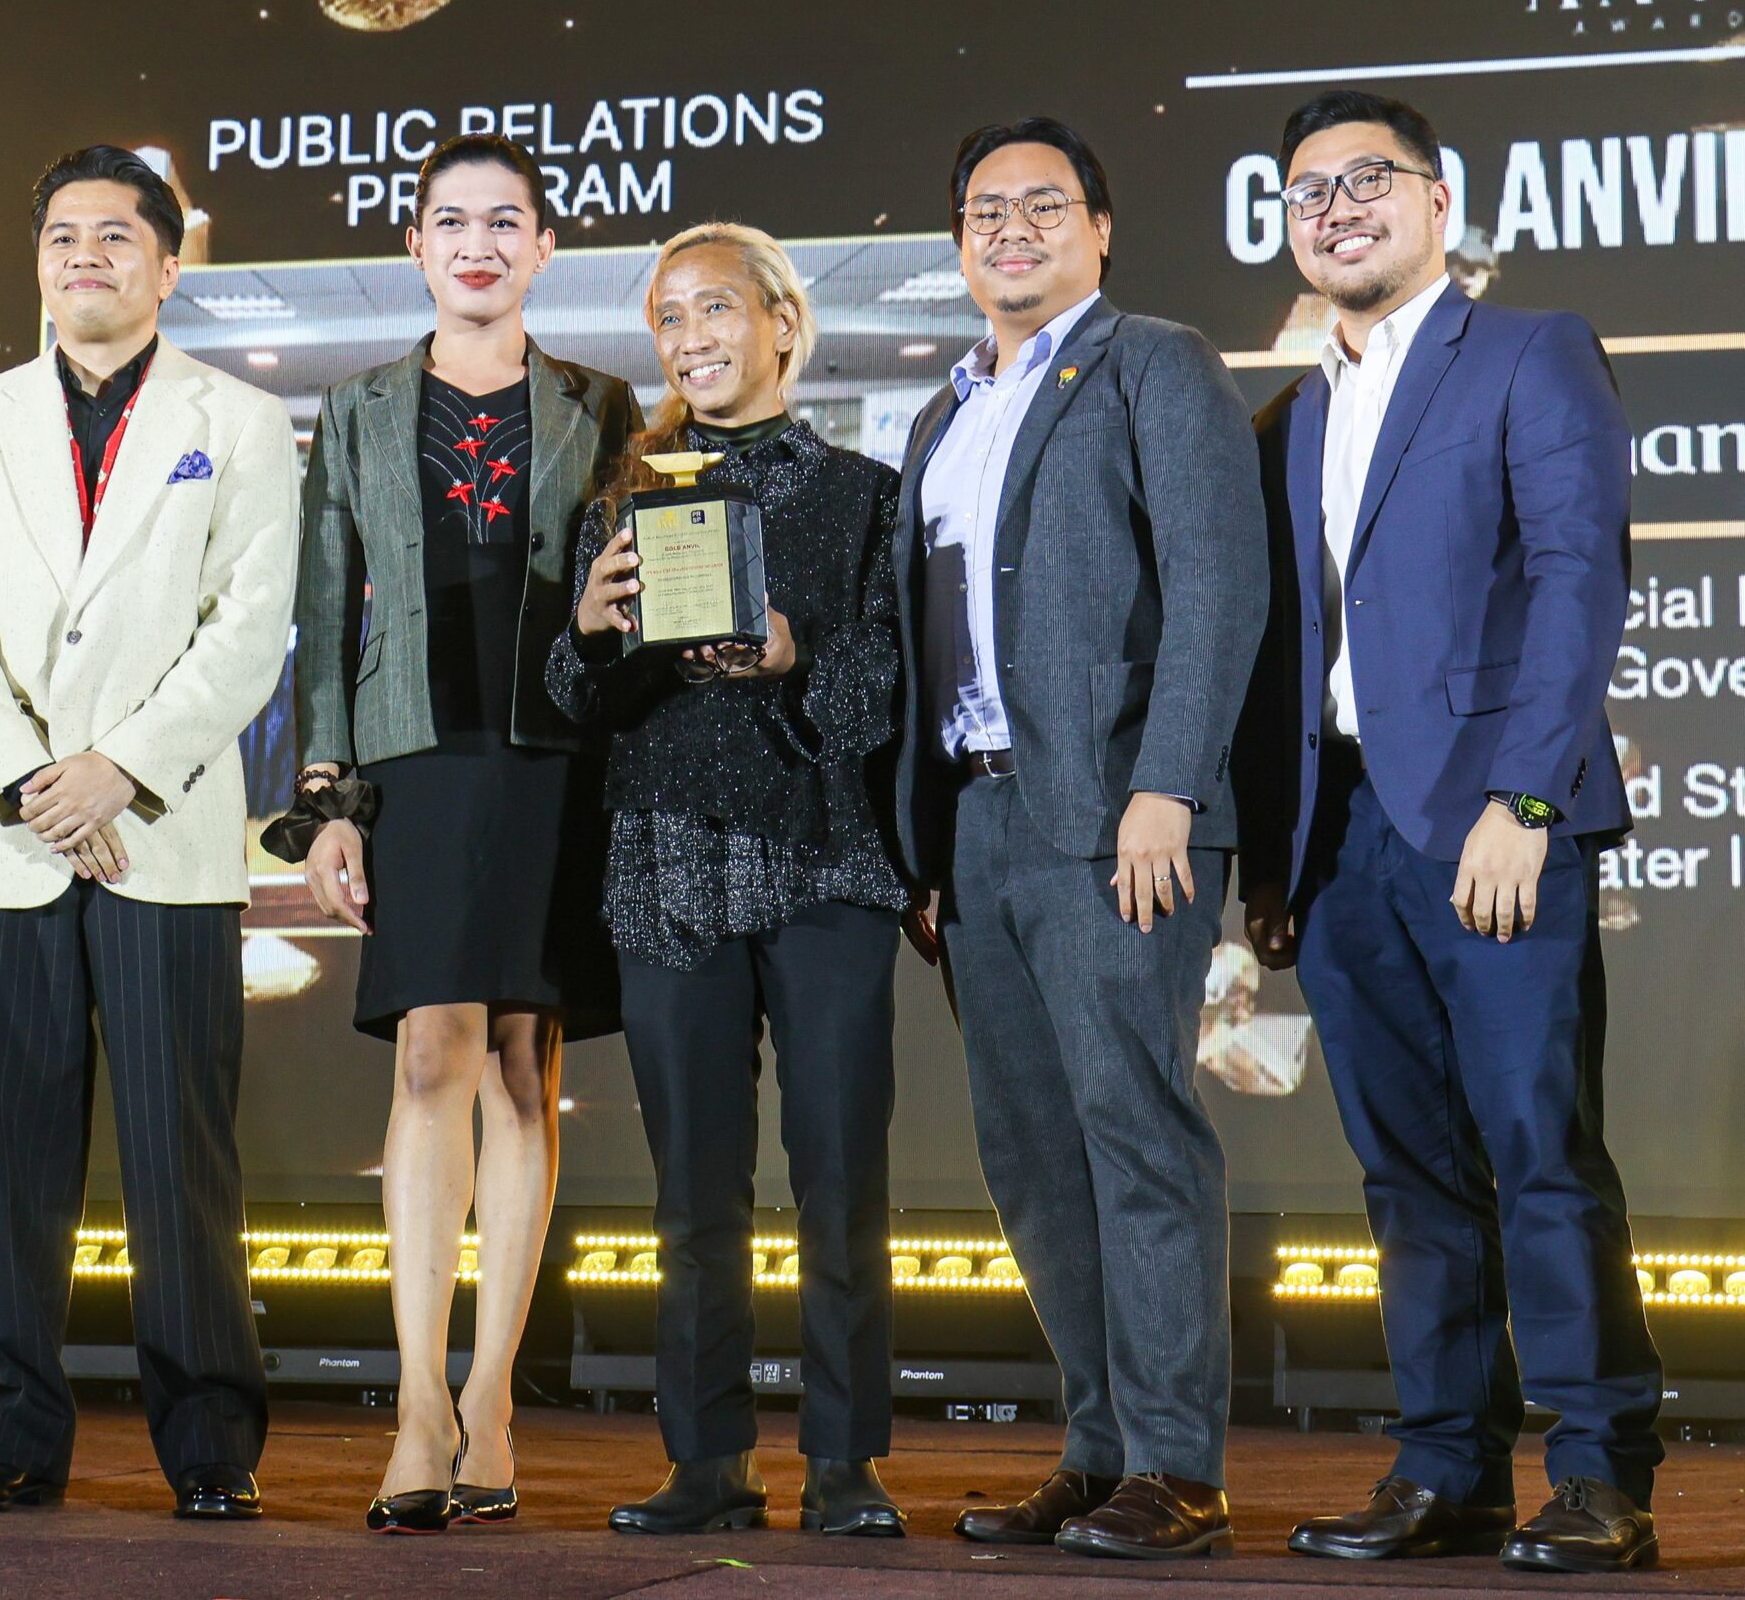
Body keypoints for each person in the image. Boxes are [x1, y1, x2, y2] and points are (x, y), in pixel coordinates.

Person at [1238, 89, 1662, 1576]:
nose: (1337, 207)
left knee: (1540, 1150)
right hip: (1342, 833)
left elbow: (1575, 578)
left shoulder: (1529, 349)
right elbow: (1283, 650)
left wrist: (1529, 799)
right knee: (1406, 1172)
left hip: (1497, 821)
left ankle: (1603, 1471)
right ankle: (1447, 1469)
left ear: (1436, 200)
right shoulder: (1294, 413)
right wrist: (1268, 860)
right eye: (1308, 191)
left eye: (1369, 180)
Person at [0, 145, 297, 1519]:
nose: (85, 258)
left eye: (115, 238)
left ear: (168, 264)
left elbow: (249, 627)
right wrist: (30, 780)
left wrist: (119, 769)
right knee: (6, 1154)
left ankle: (208, 1448)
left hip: (162, 834)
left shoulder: (236, 421)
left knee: (179, 1155)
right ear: (38, 263)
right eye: (61, 237)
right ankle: (8, 1434)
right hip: (10, 839)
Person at [890, 118, 1265, 1559]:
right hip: (978, 821)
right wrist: (922, 841)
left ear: (1101, 230)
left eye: (1045, 205)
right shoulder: (941, 412)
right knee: (1033, 1153)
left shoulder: (1154, 363)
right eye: (985, 209)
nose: (1011, 229)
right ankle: (1099, 1446)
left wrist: (1168, 782)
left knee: (1133, 1130)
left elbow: (1220, 589)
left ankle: (1178, 1465)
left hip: (1118, 816)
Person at [290, 133, 633, 1533]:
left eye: (506, 221)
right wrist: (327, 801)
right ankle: (418, 1406)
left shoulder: (603, 406)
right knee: (430, 1047)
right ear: (416, 248)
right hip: (415, 760)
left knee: (520, 1060)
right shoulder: (361, 407)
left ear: (545, 249)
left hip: (558, 756)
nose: (478, 242)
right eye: (451, 221)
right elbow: (325, 616)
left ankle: (493, 1400)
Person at [553, 222, 911, 1540]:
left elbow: (888, 681)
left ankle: (845, 1464)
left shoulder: (865, 492)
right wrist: (590, 634)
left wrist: (793, 658)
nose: (691, 339)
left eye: (713, 310)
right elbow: (568, 694)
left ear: (778, 321)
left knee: (838, 1184)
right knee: (694, 1198)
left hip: (823, 862)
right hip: (665, 868)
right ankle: (707, 1462)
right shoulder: (622, 493)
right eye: (667, 320)